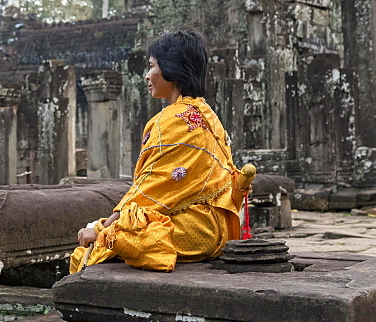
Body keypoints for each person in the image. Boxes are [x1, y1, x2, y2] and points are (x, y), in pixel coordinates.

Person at [69, 29, 254, 273]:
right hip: (217, 230)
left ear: (171, 69)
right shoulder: (208, 114)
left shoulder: (167, 120)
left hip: (190, 234)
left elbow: (149, 188)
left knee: (86, 254)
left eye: (152, 66)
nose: (147, 75)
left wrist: (103, 228)